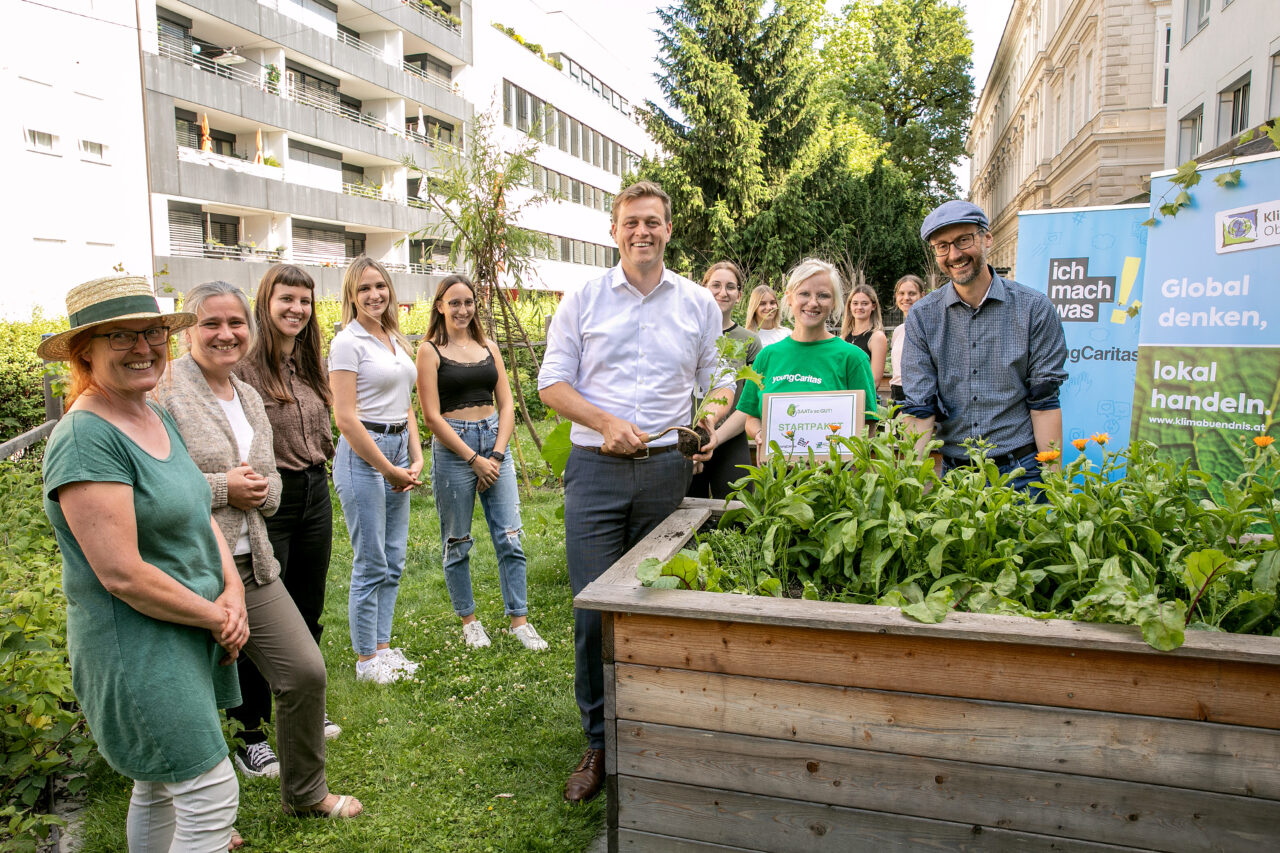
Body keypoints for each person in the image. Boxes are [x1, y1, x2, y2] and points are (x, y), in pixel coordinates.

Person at [538, 181, 728, 804]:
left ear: (669, 230)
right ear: (613, 230)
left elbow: (721, 379)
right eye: (631, 222)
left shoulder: (699, 303)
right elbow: (551, 384)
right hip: (595, 471)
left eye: (653, 222)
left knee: (660, 605)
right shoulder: (584, 298)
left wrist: (707, 423)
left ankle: (658, 732)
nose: (642, 231)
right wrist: (604, 424)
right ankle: (598, 742)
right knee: (594, 612)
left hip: (665, 473)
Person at [40, 275, 243, 851]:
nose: (144, 347)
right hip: (137, 645)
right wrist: (214, 616)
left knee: (159, 785)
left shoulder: (154, 414)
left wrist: (231, 592)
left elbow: (200, 511)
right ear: (86, 352)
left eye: (153, 332)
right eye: (122, 337)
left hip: (185, 626)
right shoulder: (86, 439)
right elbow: (121, 573)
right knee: (209, 795)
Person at [156, 281, 361, 820]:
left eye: (235, 324)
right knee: (188, 693)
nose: (226, 334)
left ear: (250, 328)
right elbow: (153, 487)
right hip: (189, 567)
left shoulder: (246, 395)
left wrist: (261, 491)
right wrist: (227, 488)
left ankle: (304, 792)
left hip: (255, 561)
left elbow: (269, 482)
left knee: (305, 671)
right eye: (211, 324)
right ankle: (189, 811)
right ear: (188, 330)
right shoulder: (165, 391)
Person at [235, 264, 342, 746]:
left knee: (307, 604)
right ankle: (250, 730)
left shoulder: (310, 359)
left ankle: (303, 705)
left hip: (315, 491)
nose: (297, 309)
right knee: (261, 614)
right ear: (266, 302)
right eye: (287, 299)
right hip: (269, 499)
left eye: (305, 300)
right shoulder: (243, 368)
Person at [415, 274, 548, 651]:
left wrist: (497, 454)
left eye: (468, 302)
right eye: (454, 302)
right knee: (457, 540)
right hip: (456, 449)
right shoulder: (429, 351)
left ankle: (519, 621)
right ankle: (470, 622)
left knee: (510, 536)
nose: (462, 309)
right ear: (440, 305)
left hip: (494, 444)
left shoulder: (489, 346)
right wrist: (472, 458)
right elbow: (431, 416)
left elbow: (506, 404)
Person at [902, 200, 1068, 492]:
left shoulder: (1034, 309)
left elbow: (1044, 402)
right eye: (942, 246)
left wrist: (1054, 486)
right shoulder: (923, 316)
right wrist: (916, 489)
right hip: (956, 475)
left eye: (963, 240)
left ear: (986, 238)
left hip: (1022, 472)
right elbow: (920, 411)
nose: (954, 255)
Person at [330, 257, 424, 684]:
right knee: (371, 559)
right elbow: (345, 418)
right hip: (363, 454)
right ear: (352, 294)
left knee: (395, 557)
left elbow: (407, 404)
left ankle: (383, 648)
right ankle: (367, 659)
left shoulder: (393, 339)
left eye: (380, 286)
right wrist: (387, 467)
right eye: (365, 288)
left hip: (398, 448)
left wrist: (416, 457)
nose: (374, 295)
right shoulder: (347, 343)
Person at [717, 259, 879, 452]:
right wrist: (761, 433)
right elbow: (751, 416)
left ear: (834, 301)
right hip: (776, 477)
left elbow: (868, 425)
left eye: (823, 295)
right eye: (804, 293)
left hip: (832, 477)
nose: (813, 303)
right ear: (789, 298)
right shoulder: (767, 357)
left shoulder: (852, 358)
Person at [688, 261, 761, 499]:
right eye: (715, 285)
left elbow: (750, 402)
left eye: (731, 287)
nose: (723, 292)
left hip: (730, 437)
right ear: (703, 289)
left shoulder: (749, 341)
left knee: (736, 514)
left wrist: (715, 439)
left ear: (739, 294)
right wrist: (695, 443)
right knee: (684, 518)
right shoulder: (687, 334)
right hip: (689, 441)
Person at [887, 275, 928, 406]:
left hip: (920, 393)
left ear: (922, 295)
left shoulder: (928, 327)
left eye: (912, 294)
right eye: (901, 293)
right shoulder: (898, 331)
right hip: (897, 391)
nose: (906, 298)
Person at [841, 283, 888, 394]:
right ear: (849, 306)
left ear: (873, 306)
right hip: (844, 398)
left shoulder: (877, 337)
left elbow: (874, 381)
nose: (859, 307)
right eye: (855, 303)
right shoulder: (843, 337)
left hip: (864, 398)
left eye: (864, 303)